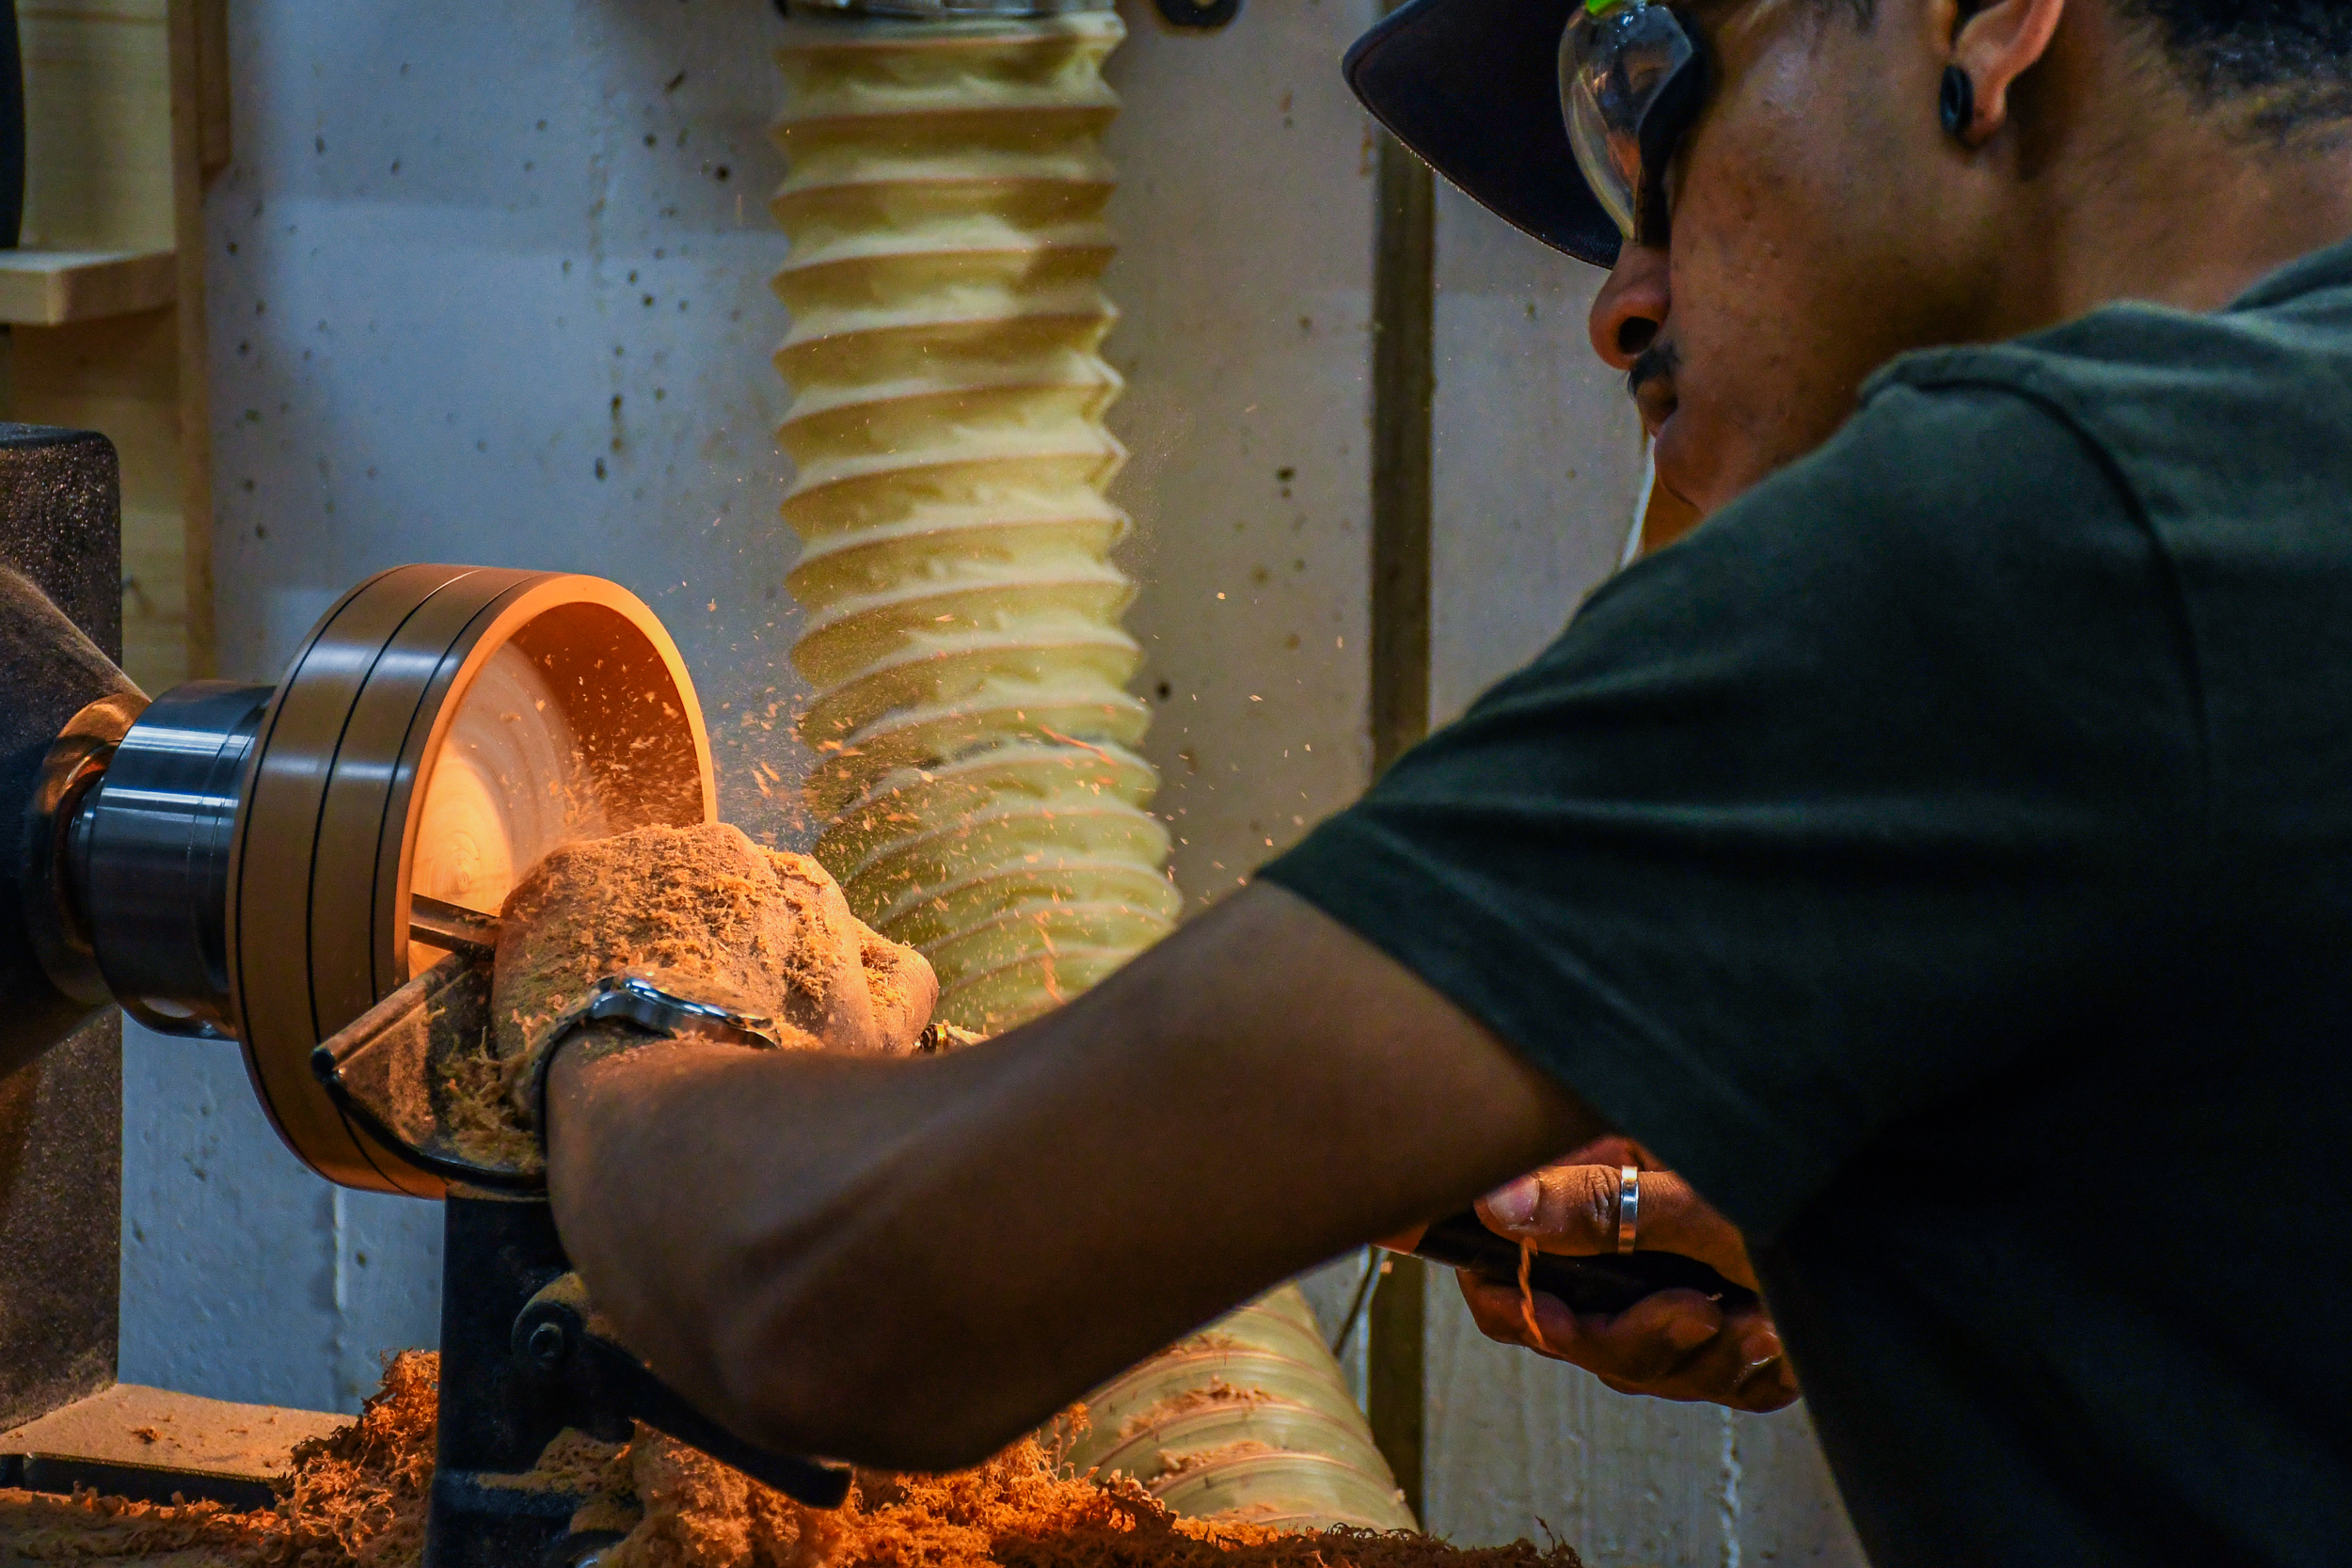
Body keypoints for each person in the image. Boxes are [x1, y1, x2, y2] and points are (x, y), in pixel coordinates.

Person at [513, 0, 2352, 1557]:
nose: (1617, 303)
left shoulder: (2019, 532)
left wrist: (620, 1003)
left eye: (1643, 102)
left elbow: (834, 1297)